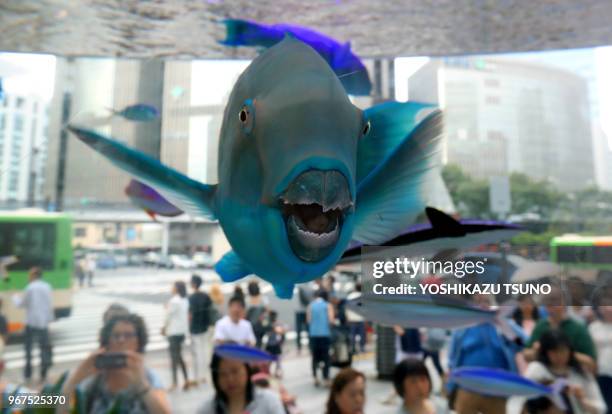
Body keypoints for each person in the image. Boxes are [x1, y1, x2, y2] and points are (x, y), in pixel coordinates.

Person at [60, 313, 171, 414]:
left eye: (128, 335)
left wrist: (141, 385)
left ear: (139, 342)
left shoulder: (148, 377)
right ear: (107, 341)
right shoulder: (94, 381)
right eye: (116, 336)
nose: (121, 340)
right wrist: (74, 380)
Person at [447, 293, 519, 414]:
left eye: (486, 301)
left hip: (496, 388)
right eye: (477, 302)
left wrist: (502, 321)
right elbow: (452, 358)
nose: (482, 305)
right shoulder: (462, 327)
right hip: (468, 386)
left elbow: (522, 341)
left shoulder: (502, 325)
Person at [525, 330, 606, 414]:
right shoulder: (536, 369)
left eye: (563, 351)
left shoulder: (580, 372)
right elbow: (524, 398)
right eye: (554, 352)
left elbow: (601, 407)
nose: (559, 356)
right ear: (545, 352)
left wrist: (583, 401)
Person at [526, 285, 597, 372]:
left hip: (572, 376)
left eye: (554, 300)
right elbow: (526, 354)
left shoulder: (577, 328)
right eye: (547, 300)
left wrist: (566, 353)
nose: (550, 304)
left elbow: (591, 363)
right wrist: (537, 350)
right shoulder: (541, 326)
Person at [197, 353, 285, 414]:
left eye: (235, 371)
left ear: (247, 370)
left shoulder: (269, 401)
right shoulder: (206, 410)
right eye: (223, 374)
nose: (230, 379)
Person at [13, 267, 53, 383]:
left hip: (31, 322)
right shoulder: (47, 287)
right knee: (44, 348)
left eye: (29, 275)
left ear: (34, 275)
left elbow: (21, 304)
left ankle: (28, 374)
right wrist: (48, 321)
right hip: (43, 323)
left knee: (28, 349)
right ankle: (43, 373)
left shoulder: (30, 287)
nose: (28, 277)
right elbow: (49, 305)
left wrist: (15, 297)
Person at [164, 281, 190, 390]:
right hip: (182, 332)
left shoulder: (174, 301)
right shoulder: (185, 300)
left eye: (173, 286)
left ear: (177, 288)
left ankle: (175, 383)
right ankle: (186, 379)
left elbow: (168, 316)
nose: (171, 288)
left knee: (174, 357)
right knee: (178, 356)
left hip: (173, 332)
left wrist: (164, 328)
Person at [589, 293, 612, 413]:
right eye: (604, 306)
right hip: (600, 374)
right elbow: (590, 352)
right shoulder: (593, 327)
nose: (608, 309)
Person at [189, 274, 213, 386]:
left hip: (194, 328)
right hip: (205, 326)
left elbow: (189, 315)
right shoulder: (206, 296)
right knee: (204, 351)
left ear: (194, 284)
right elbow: (210, 310)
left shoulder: (191, 298)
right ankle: (204, 376)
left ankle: (198, 376)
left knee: (197, 353)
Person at [308, 289, 335, 387]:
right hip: (324, 334)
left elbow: (309, 320)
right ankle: (326, 378)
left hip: (313, 334)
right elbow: (331, 320)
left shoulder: (311, 305)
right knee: (326, 357)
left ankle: (315, 378)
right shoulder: (328, 305)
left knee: (315, 357)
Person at [246, 280, 269, 349]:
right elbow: (267, 311)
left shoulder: (247, 300)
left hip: (251, 325)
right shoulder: (263, 299)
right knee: (259, 341)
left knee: (254, 341)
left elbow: (245, 314)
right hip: (261, 325)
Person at [346, 283, 366, 354]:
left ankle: (353, 349)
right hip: (361, 318)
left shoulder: (350, 296)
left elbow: (347, 308)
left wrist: (347, 317)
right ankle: (362, 348)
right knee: (362, 334)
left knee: (352, 335)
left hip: (352, 319)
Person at [264, 310, 285, 378]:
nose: (272, 317)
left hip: (275, 344)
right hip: (271, 344)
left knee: (277, 360)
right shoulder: (268, 324)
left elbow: (281, 333)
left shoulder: (275, 324)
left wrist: (281, 341)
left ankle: (277, 372)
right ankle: (269, 372)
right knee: (270, 360)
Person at [295, 282, 313, 354]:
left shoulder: (300, 286)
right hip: (304, 311)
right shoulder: (309, 286)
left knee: (300, 330)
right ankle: (308, 347)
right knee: (306, 330)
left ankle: (300, 348)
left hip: (301, 311)